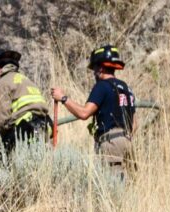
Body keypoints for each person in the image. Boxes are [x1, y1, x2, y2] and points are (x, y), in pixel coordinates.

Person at [51, 45, 137, 178]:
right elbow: (135, 124)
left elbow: (84, 113)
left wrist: (63, 98)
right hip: (128, 142)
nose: (94, 73)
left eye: (95, 69)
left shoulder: (102, 86)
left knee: (112, 188)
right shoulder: (126, 88)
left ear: (101, 68)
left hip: (111, 143)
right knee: (128, 184)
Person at [0, 48, 52, 154]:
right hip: (44, 130)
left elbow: (1, 122)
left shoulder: (2, 84)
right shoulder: (25, 79)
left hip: (23, 135)